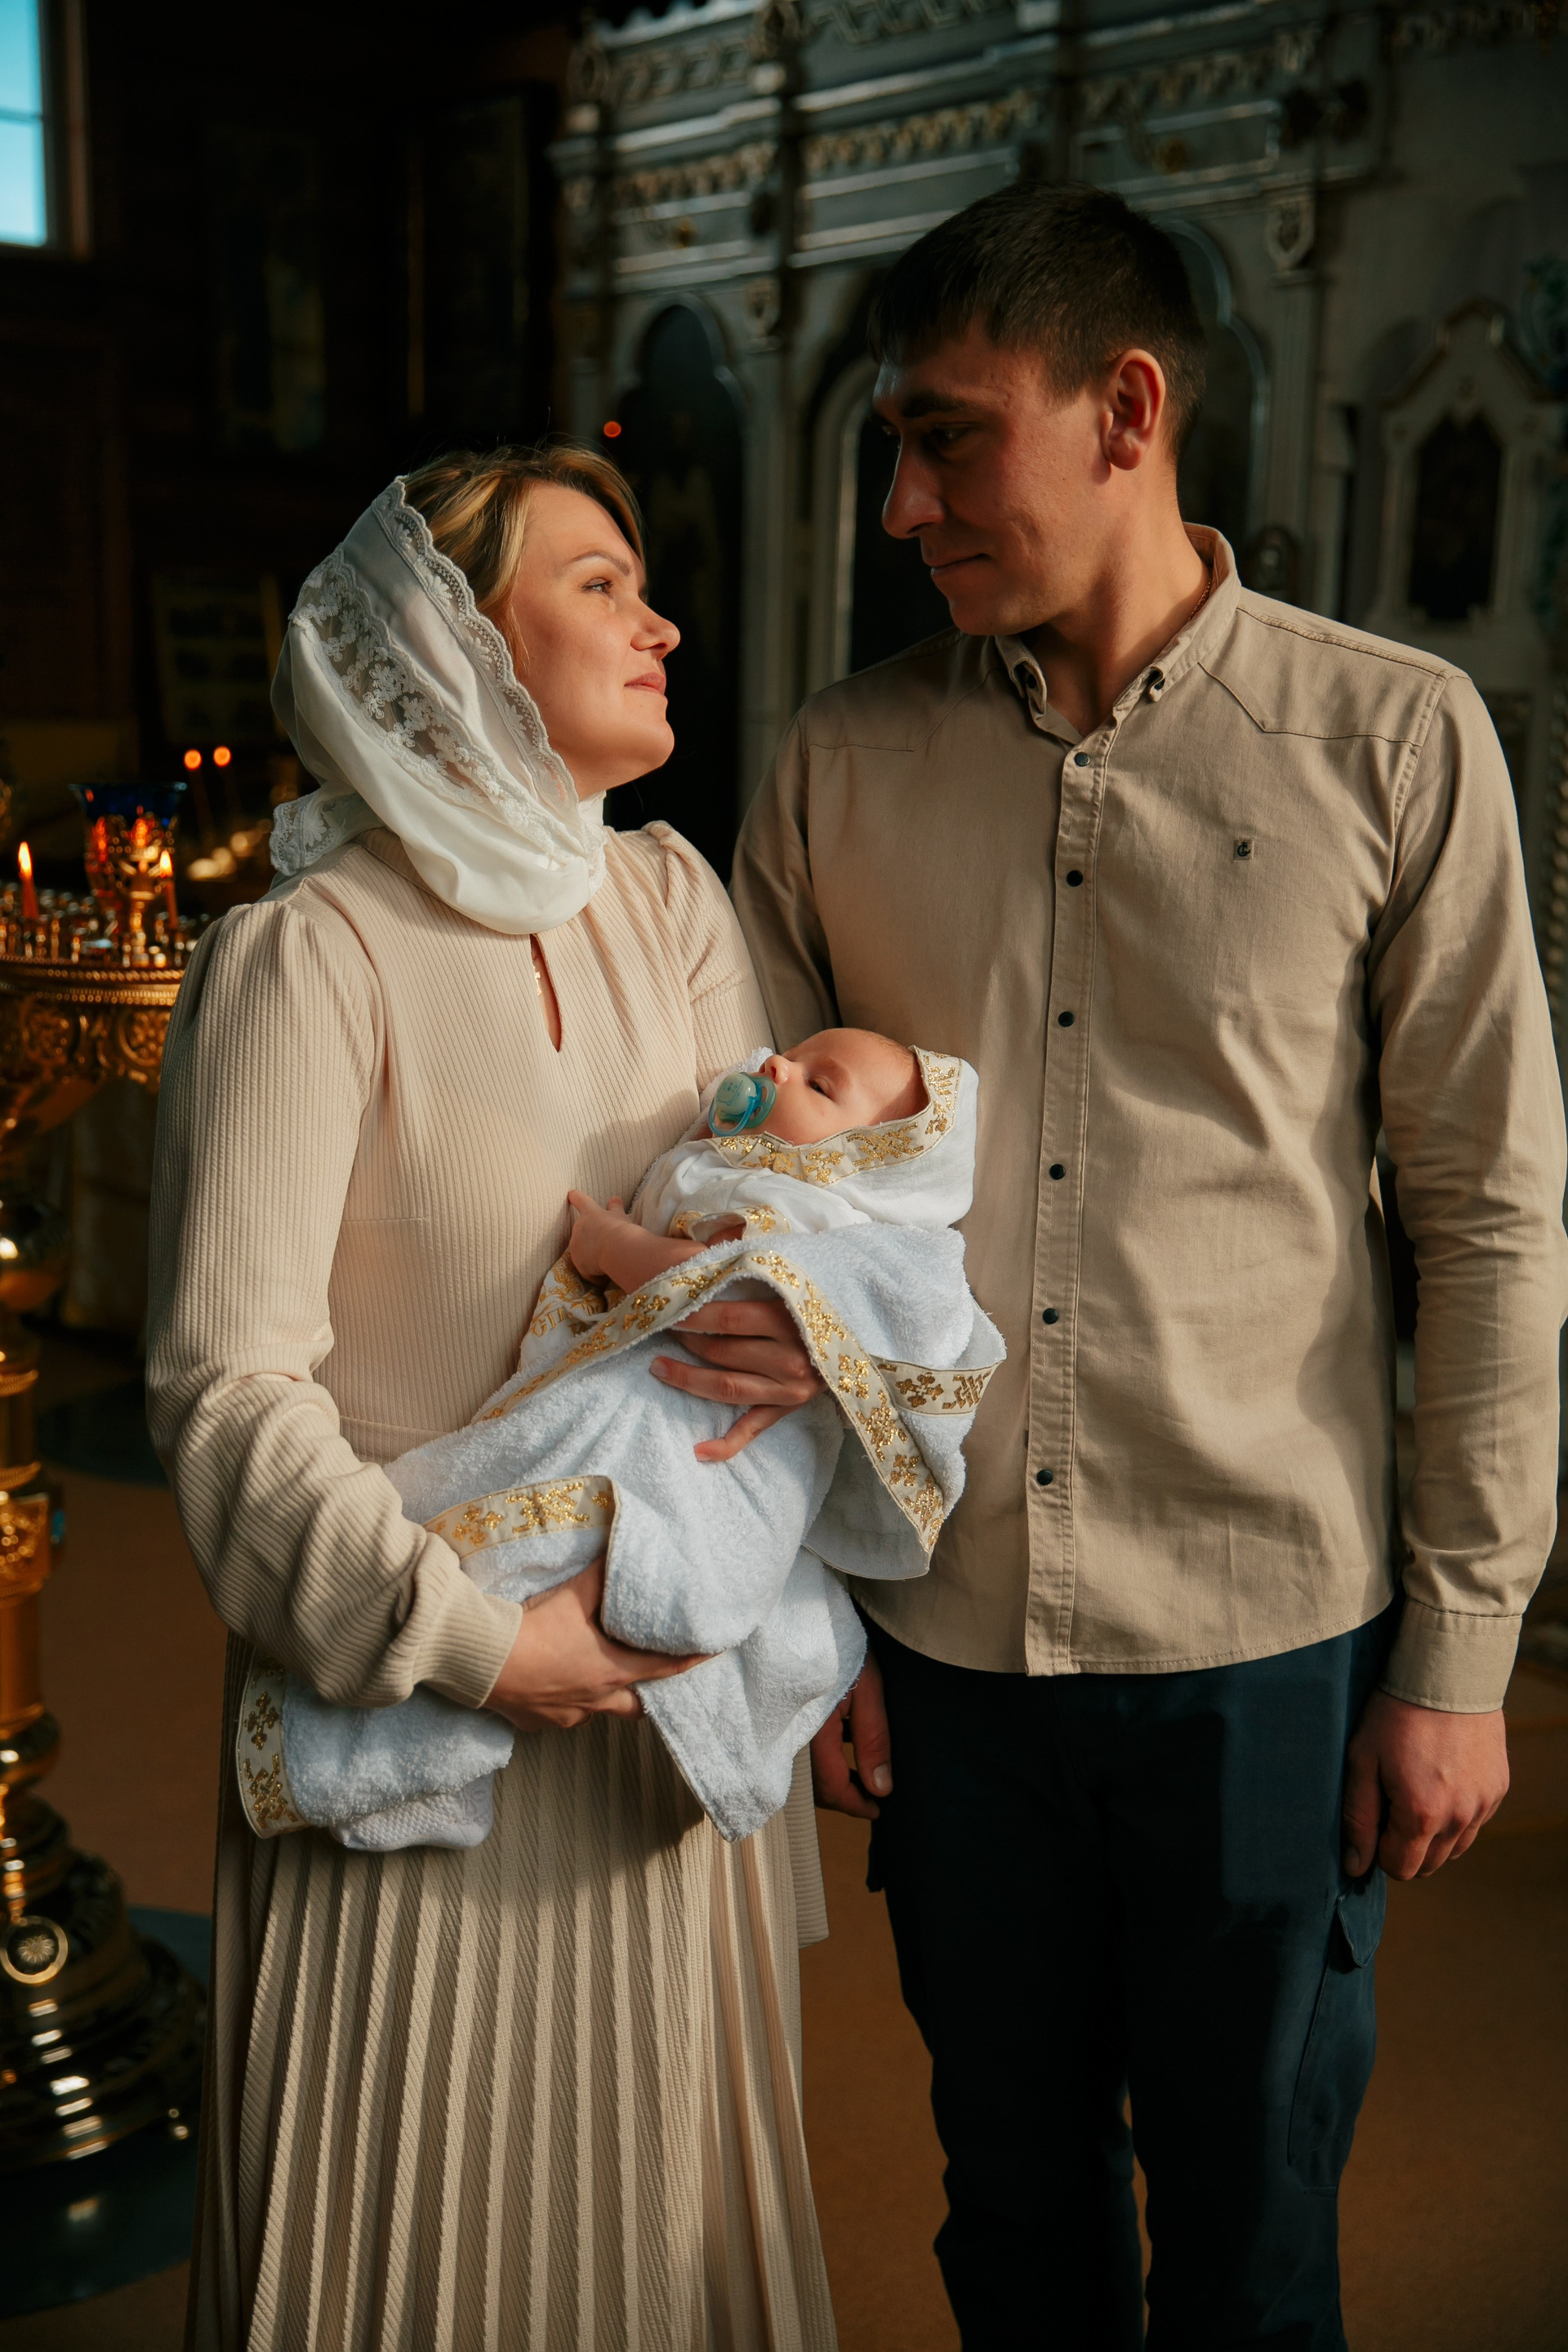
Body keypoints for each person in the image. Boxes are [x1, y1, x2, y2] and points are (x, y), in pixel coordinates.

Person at [732, 180, 1568, 2350]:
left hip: (1266, 1639)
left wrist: (1461, 1658)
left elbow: (1490, 1216)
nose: (904, 507)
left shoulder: (1397, 741)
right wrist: (805, 1614)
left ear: (1125, 409)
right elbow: (757, 1241)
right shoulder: (835, 764)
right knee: (1009, 2217)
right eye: (891, 453)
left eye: (947, 439)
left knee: (1252, 2242)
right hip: (943, 1635)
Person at [149, 444, 840, 2351]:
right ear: (451, 643)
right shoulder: (306, 958)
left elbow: (766, 1229)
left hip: (658, 1708)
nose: (661, 621)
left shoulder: (671, 899)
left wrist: (795, 1323)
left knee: (653, 2253)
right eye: (599, 583)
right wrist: (475, 1643)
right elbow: (226, 1394)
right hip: (415, 1725)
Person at [244, 1027, 997, 1855]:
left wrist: (612, 1246)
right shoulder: (731, 1160)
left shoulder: (807, 1209)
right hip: (654, 1397)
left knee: (526, 1550)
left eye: (821, 1086)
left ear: (870, 1159)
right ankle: (429, 1758)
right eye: (794, 1054)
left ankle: (413, 1755)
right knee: (502, 1573)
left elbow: (706, 1287)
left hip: (688, 1435)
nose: (777, 1066)